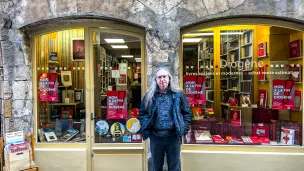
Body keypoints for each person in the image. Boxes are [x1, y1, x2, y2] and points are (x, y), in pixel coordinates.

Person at [138, 67, 192, 171]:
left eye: (164, 76)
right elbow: (142, 113)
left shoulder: (178, 94)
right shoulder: (149, 95)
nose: (162, 79)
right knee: (156, 167)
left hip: (173, 138)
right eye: (159, 77)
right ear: (156, 80)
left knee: (174, 168)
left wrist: (183, 129)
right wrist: (147, 128)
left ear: (169, 78)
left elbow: (187, 113)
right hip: (156, 138)